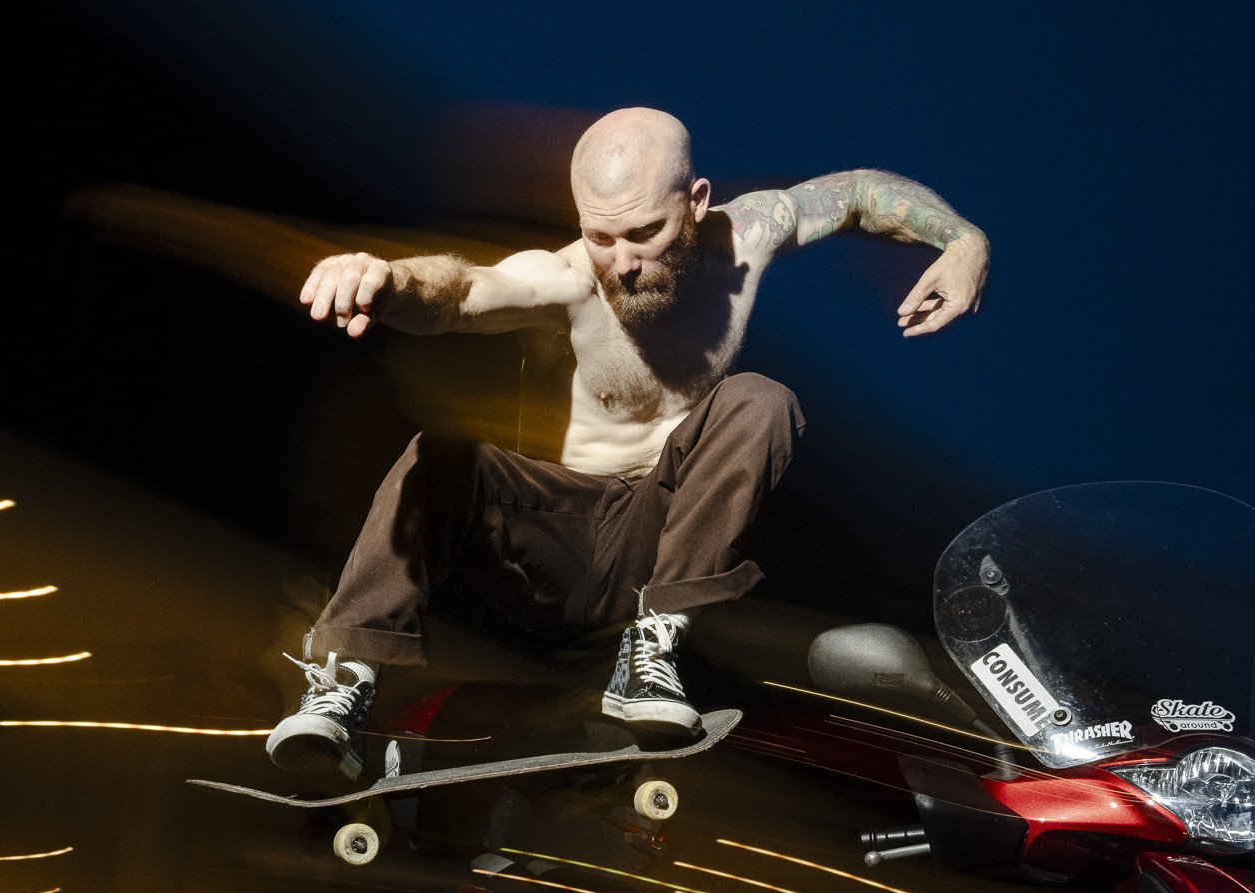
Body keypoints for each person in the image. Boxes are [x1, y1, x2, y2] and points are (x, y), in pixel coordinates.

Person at [267, 106, 988, 783]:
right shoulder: (571, 277)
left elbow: (858, 194)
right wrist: (387, 279)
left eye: (645, 232)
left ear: (697, 202)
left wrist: (962, 240)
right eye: (601, 237)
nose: (624, 262)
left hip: (662, 540)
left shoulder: (752, 234)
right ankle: (342, 685)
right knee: (438, 460)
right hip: (555, 547)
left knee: (761, 400)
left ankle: (652, 656)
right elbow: (463, 291)